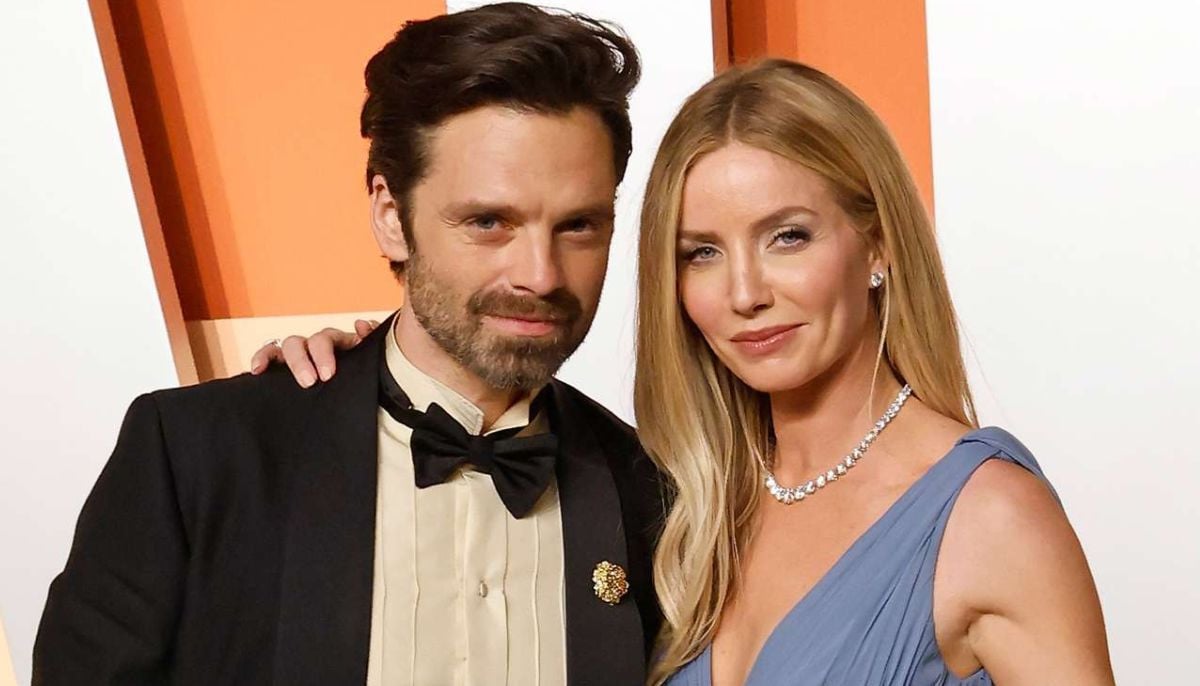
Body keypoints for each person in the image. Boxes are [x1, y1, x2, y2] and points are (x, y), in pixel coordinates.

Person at [270, 60, 1115, 684]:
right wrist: (358, 375)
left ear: (878, 246)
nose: (745, 293)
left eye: (788, 236)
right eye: (702, 252)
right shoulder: (681, 502)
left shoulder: (990, 516)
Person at [33, 5, 664, 685]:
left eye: (579, 226)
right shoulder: (200, 458)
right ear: (391, 217)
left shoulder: (655, 494)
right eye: (488, 222)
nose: (540, 275)